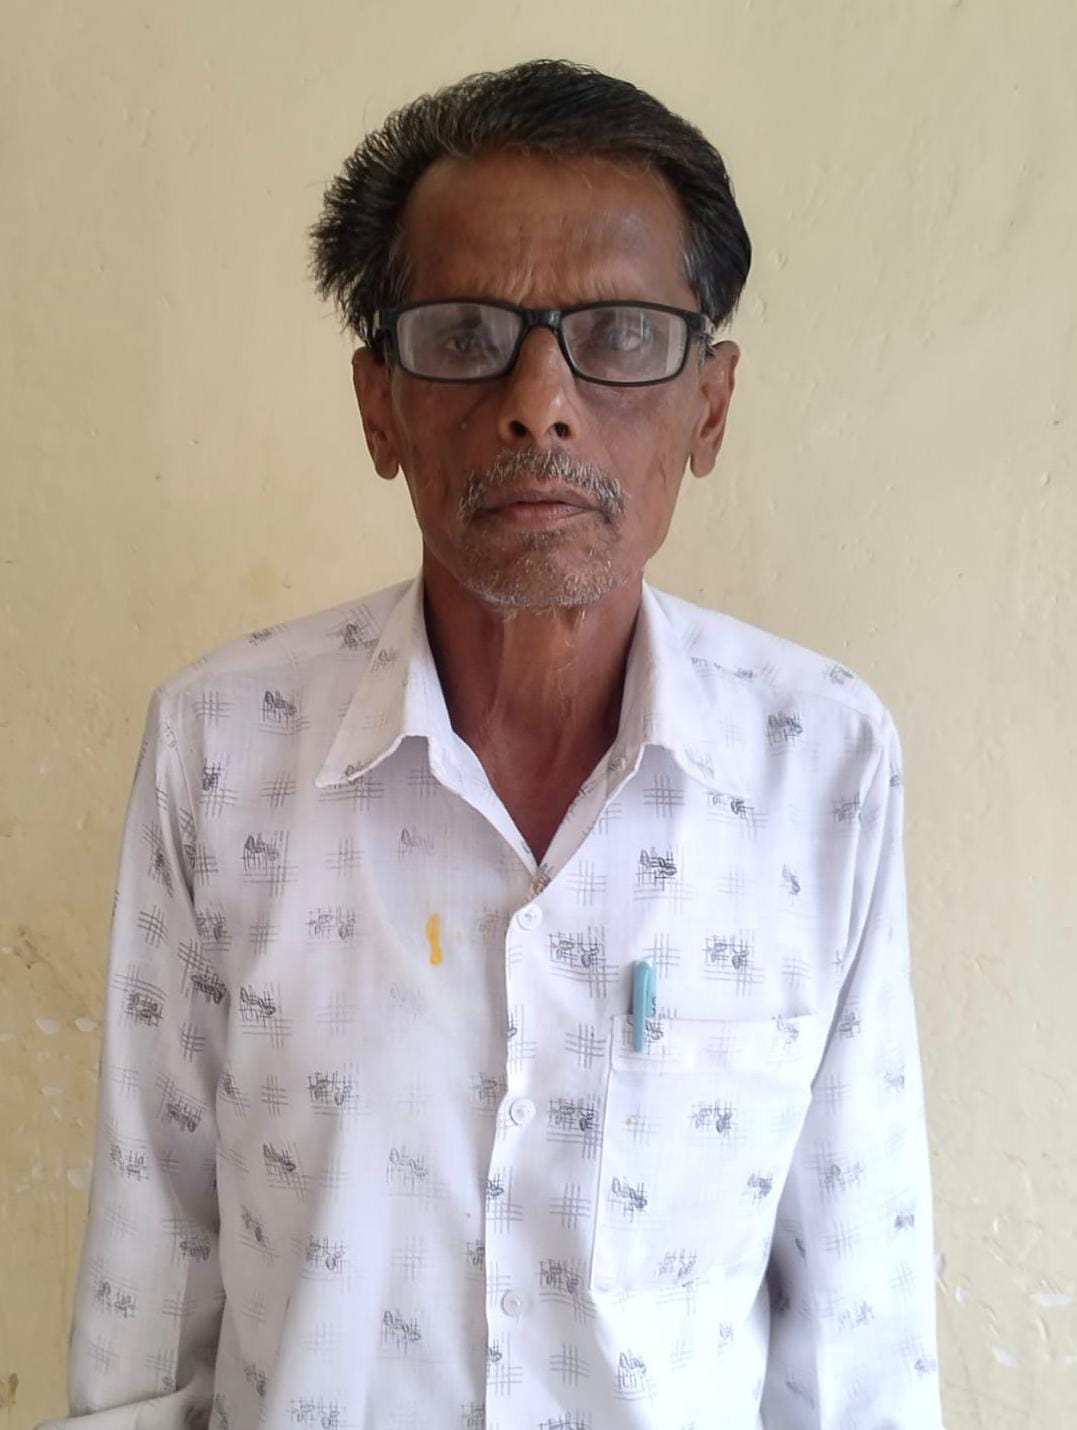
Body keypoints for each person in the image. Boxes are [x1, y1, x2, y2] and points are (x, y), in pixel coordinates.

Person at [47, 58, 944, 1430]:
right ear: (378, 404)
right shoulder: (220, 754)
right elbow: (150, 1284)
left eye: (623, 336)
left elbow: (857, 1334)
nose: (541, 400)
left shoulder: (818, 764)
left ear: (709, 408)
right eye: (464, 335)